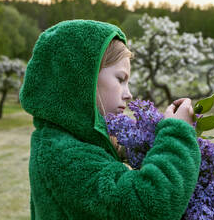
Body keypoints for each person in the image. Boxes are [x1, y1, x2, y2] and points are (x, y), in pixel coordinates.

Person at [19, 19, 201, 220]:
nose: (129, 94)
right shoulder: (63, 154)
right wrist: (177, 133)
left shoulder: (73, 142)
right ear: (82, 80)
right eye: (120, 79)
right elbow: (148, 205)